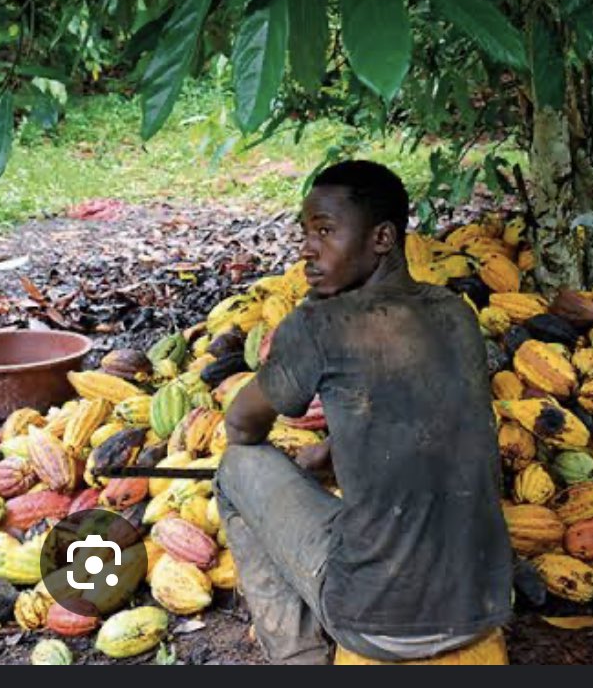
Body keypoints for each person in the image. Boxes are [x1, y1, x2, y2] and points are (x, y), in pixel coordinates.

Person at [216, 160, 513, 664]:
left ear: (382, 238)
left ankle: (298, 659)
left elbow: (242, 426)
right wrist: (336, 449)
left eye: (325, 231)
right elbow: (428, 418)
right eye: (305, 232)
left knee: (236, 467)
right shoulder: (454, 312)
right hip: (483, 604)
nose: (307, 249)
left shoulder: (318, 323)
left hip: (377, 620)